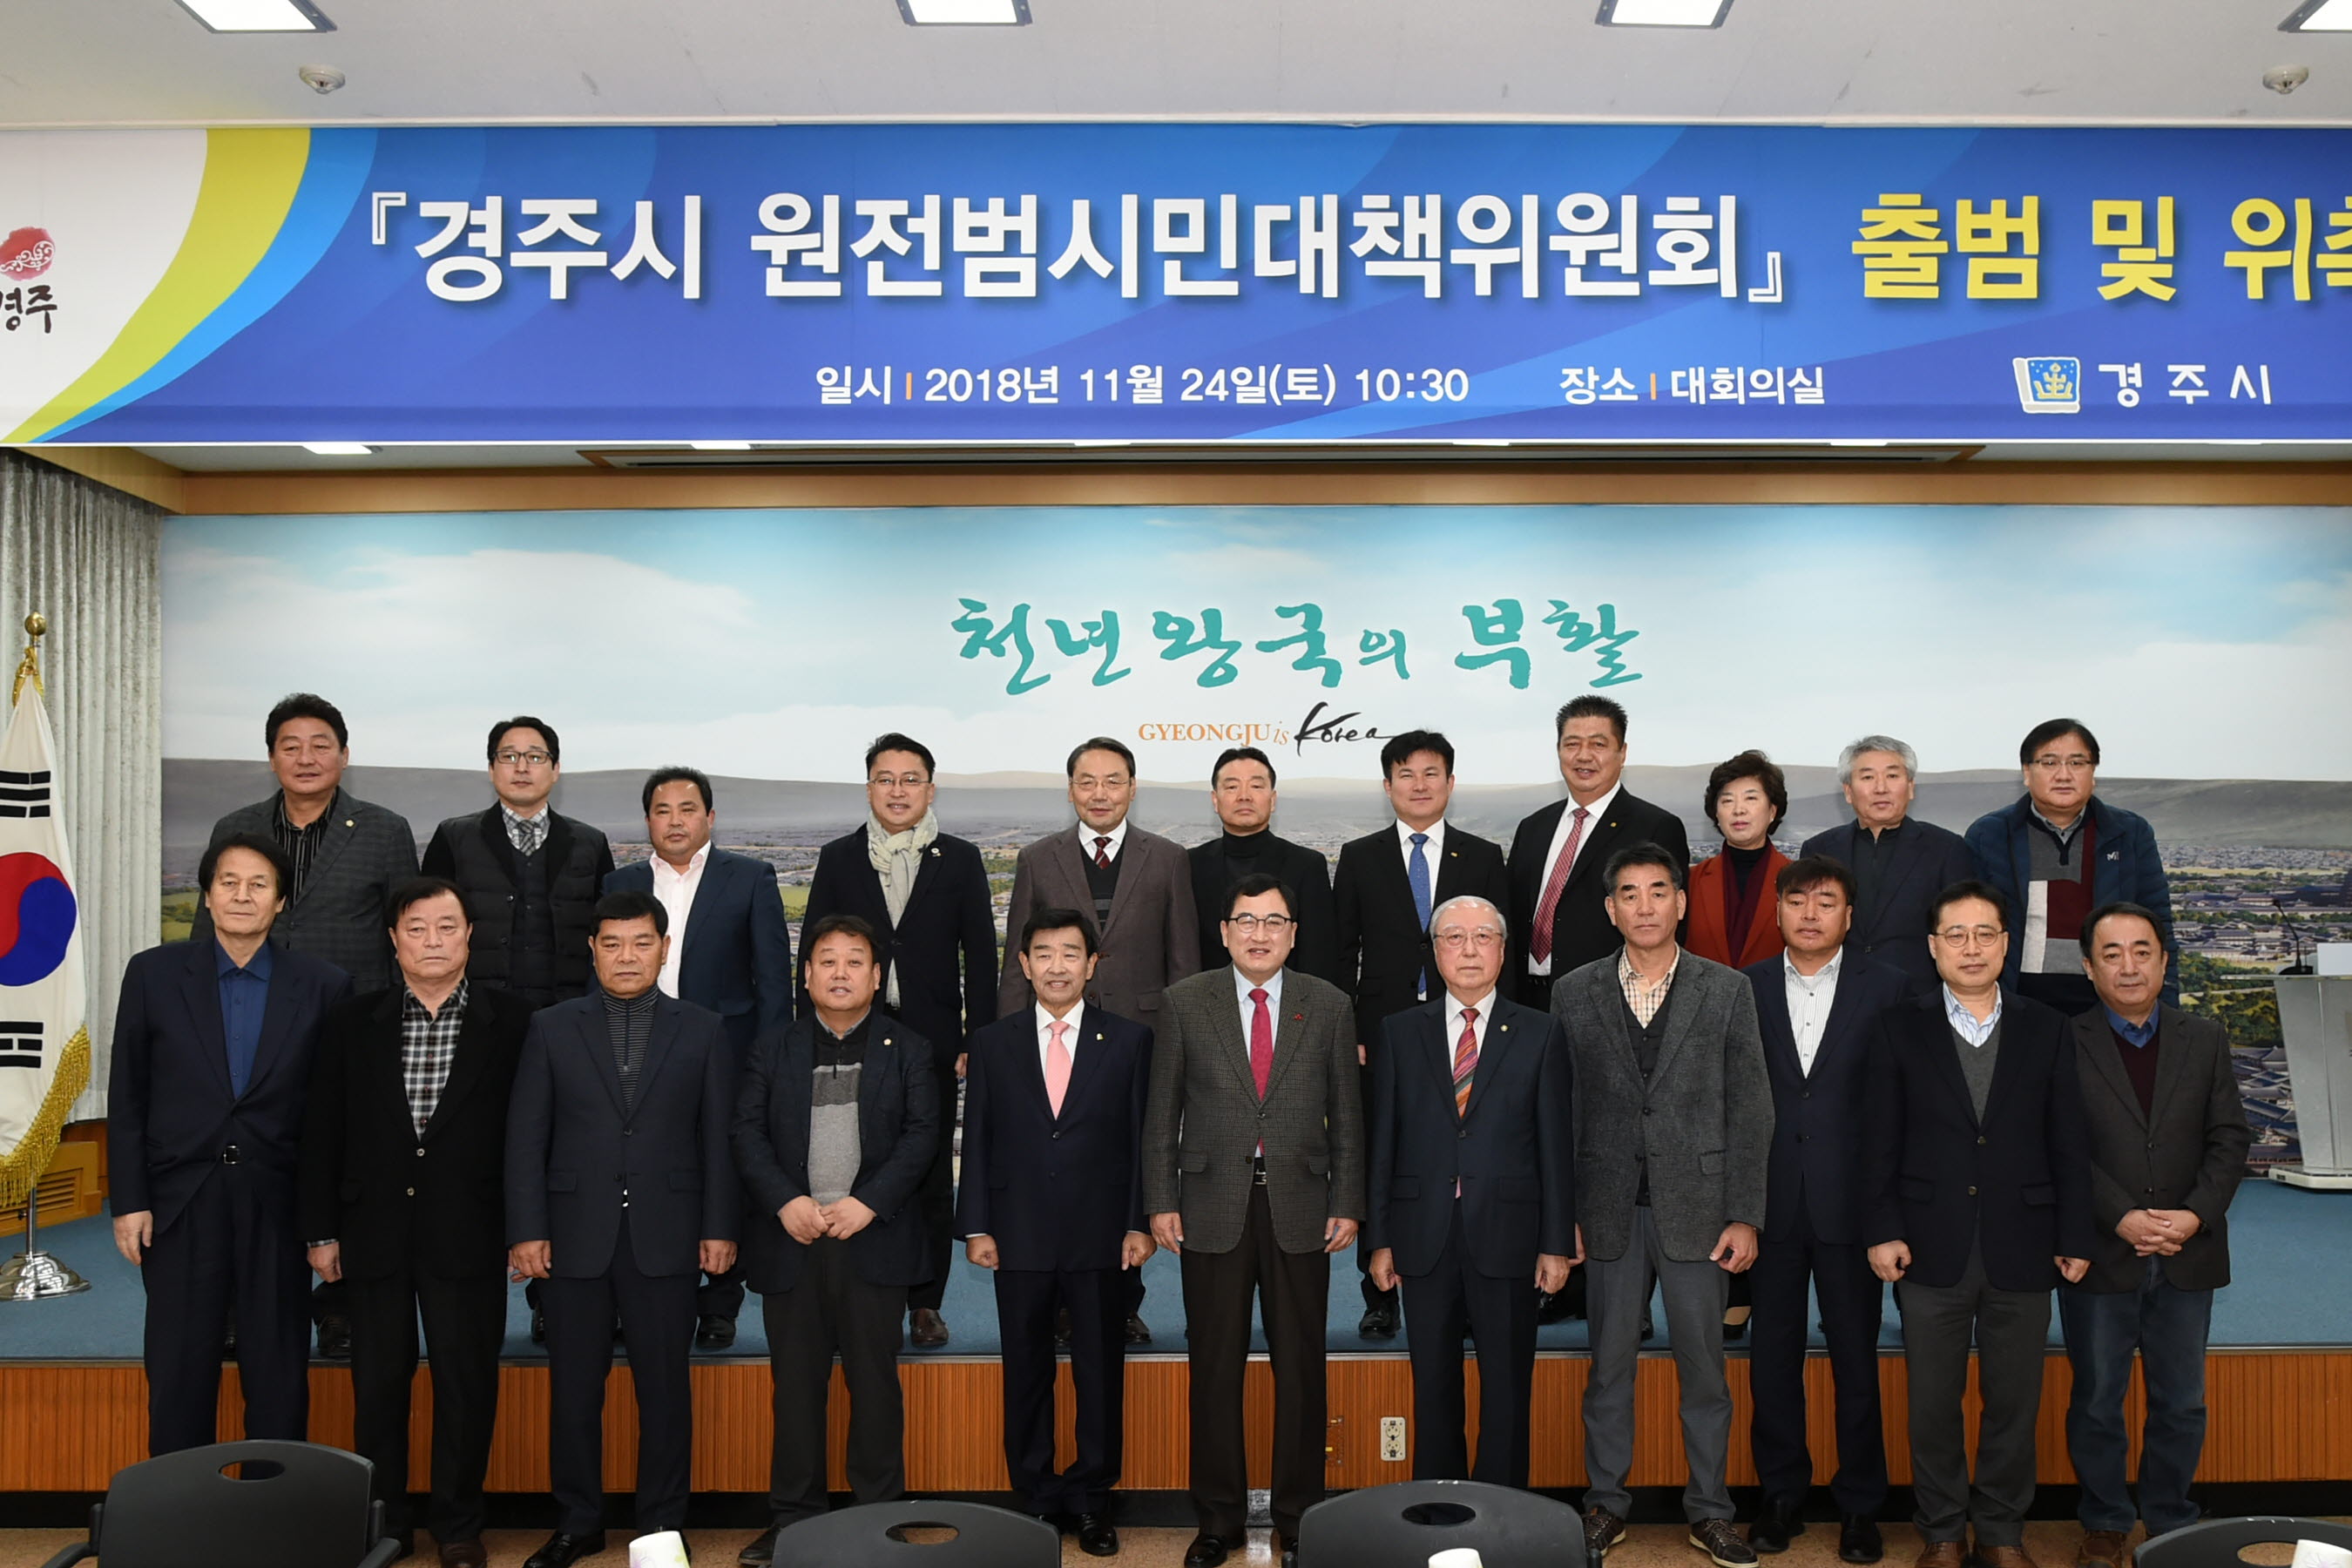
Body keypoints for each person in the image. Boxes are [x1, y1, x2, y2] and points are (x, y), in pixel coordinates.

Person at [299, 877, 534, 1568]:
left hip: (471, 1232)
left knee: (467, 1383)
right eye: (417, 928)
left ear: (469, 936)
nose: (432, 941)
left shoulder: (515, 1022)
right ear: (394, 940)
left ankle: (458, 1525)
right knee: (377, 1386)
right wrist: (321, 1231)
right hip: (371, 1233)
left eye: (446, 927)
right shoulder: (352, 1021)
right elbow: (321, 1131)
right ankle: (388, 1522)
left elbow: (532, 1137)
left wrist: (524, 1228)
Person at [1861, 882, 2095, 1568]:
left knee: (2013, 1403)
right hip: (1927, 1244)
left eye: (1985, 933)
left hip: (2024, 1243)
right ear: (1933, 947)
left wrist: (2075, 1235)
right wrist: (1881, 1229)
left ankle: (1999, 1533)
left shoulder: (2046, 1027)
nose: (1971, 948)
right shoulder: (1897, 1026)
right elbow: (1877, 1141)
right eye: (1956, 935)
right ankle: (1941, 1531)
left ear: (2006, 943)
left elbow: (2068, 1141)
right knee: (1932, 1403)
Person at [1550, 843, 1770, 1568]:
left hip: (1702, 1214)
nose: (1644, 906)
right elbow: (1563, 1110)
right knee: (1608, 1370)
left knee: (1705, 1372)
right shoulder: (1574, 991)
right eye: (1629, 894)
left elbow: (1752, 1107)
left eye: (1657, 892)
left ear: (1680, 902)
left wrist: (1745, 1214)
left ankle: (1711, 1512)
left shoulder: (1727, 989)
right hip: (1607, 1210)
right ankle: (1605, 1506)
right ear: (1610, 909)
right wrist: (1564, 1213)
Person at [504, 891, 739, 1568]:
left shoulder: (704, 1029)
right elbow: (526, 1137)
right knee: (574, 1395)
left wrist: (720, 1226)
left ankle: (661, 1527)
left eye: (641, 943)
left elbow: (718, 1140)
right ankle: (577, 1523)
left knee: (664, 1394)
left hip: (668, 1235)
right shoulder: (551, 1027)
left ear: (664, 948)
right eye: (612, 944)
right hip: (573, 1236)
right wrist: (527, 1229)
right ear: (593, 950)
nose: (626, 956)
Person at [1142, 874, 1363, 1568]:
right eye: (1246, 920)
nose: (1259, 934)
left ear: (1293, 933)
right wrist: (1161, 1199)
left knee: (1303, 1370)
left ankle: (1299, 1519)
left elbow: (1347, 1115)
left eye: (1274, 921)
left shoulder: (1328, 1004)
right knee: (1213, 1369)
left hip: (1302, 1207)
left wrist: (1348, 1201)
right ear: (1224, 931)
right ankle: (1218, 1520)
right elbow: (1161, 1112)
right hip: (1211, 1207)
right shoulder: (1185, 1002)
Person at [107, 834, 353, 1454]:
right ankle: (180, 1506)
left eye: (259, 885)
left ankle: (273, 1505)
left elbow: (332, 1118)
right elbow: (128, 1095)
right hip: (180, 1201)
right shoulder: (153, 974)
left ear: (280, 901)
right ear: (208, 896)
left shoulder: (323, 985)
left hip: (278, 1204)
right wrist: (129, 1200)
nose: (243, 896)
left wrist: (324, 1223)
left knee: (278, 1374)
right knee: (178, 1373)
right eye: (229, 883)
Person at [194, 691, 418, 1360]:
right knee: (248, 1165)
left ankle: (339, 1307)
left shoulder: (384, 830)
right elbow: (210, 933)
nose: (306, 757)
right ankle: (239, 1307)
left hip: (347, 1029)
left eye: (321, 745)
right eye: (290, 746)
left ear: (344, 756)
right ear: (272, 758)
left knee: (345, 1168)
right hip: (250, 1027)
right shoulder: (237, 828)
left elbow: (404, 932)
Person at [733, 914, 939, 1568]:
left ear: (877, 977)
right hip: (793, 1240)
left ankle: (880, 1518)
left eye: (855, 961)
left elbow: (922, 1136)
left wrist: (867, 1203)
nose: (841, 972)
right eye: (827, 960)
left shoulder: (909, 1049)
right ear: (807, 975)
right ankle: (793, 1520)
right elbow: (746, 1133)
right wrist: (786, 1201)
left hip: (872, 1241)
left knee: (875, 1388)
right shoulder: (773, 1048)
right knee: (796, 1389)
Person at [957, 909, 1155, 1557]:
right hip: (1017, 1234)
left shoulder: (1129, 1040)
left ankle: (1093, 1499)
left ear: (1092, 965)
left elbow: (1142, 1140)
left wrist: (1138, 1222)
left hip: (1102, 1236)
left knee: (1100, 1374)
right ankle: (1038, 1498)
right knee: (1026, 1372)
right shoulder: (994, 1042)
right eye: (1043, 953)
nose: (1057, 966)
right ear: (1024, 964)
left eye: (1071, 953)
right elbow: (978, 1138)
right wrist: (977, 1226)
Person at [2061, 902, 2251, 1568]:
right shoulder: (2064, 1041)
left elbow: (2229, 1138)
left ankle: (2171, 1519)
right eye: (2111, 953)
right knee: (2097, 1399)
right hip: (2102, 1249)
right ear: (2089, 968)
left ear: (2164, 962)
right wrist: (2119, 1214)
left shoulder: (2205, 1037)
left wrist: (2195, 1214)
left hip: (2187, 1250)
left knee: (2182, 1401)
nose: (2129, 966)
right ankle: (2105, 1522)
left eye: (2142, 951)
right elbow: (2061, 1147)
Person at [1364, 895, 1574, 1488]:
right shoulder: (1400, 1031)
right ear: (1435, 952)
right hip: (1422, 1234)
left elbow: (1556, 1145)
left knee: (1506, 1386)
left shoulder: (1541, 1032)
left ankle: (1501, 1512)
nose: (1469, 949)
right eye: (1454, 937)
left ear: (1504, 951)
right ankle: (1439, 1509)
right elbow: (1384, 1142)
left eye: (1484, 937)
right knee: (1433, 1384)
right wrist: (1379, 1239)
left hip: (1509, 1234)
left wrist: (1556, 1242)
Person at [1000, 735, 1201, 1343]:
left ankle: (1123, 1301)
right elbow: (1016, 963)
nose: (1100, 793)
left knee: (1134, 1167)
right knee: (1062, 1164)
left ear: (1132, 789)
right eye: (1087, 782)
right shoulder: (1039, 858)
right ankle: (1062, 1301)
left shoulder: (1168, 858)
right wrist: (1007, 1046)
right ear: (1070, 791)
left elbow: (1184, 964)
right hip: (1057, 1039)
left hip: (1143, 1040)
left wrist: (1188, 1048)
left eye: (1113, 781)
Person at [801, 733, 997, 1350]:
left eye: (911, 779)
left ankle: (925, 1302)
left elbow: (981, 956)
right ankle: (861, 1291)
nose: (898, 790)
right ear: (869, 788)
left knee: (930, 1169)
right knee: (857, 1163)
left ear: (930, 790)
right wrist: (804, 1037)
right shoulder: (839, 858)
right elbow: (811, 949)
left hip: (932, 1038)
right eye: (885, 779)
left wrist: (976, 1038)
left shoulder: (959, 859)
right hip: (852, 1034)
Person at [1741, 857, 1912, 1565]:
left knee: (1856, 1362)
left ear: (1849, 915)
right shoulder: (1743, 986)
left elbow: (1901, 1107)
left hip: (1854, 1207)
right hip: (1771, 1205)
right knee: (1771, 1361)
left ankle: (1860, 1506)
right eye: (1798, 900)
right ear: (1778, 911)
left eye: (1827, 902)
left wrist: (1888, 1214)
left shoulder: (1892, 988)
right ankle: (1779, 1496)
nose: (1810, 914)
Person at [606, 766, 794, 1350]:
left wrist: (770, 1066)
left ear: (710, 818)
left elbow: (773, 981)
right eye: (662, 811)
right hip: (635, 1052)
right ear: (647, 820)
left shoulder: (750, 878)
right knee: (643, 1173)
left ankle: (719, 1303)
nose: (675, 821)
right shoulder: (621, 882)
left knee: (721, 1170)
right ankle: (640, 1292)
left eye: (687, 809)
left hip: (726, 1053)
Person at [1332, 730, 1511, 1338]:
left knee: (1459, 1153)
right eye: (1405, 774)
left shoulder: (1483, 856)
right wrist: (1351, 1030)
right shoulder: (1359, 856)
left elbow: (1497, 948)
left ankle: (1465, 1283)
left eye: (1431, 773)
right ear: (1388, 786)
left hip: (1464, 1028)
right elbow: (1341, 952)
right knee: (1382, 1153)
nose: (1419, 785)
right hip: (1381, 1034)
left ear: (1451, 783)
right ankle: (1379, 1292)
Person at [1965, 720, 2176, 1017]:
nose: (2063, 775)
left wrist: (2167, 1013)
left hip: (2109, 1003)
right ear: (2027, 772)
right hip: (2015, 1004)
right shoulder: (1990, 835)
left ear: (2093, 772)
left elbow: (2159, 925)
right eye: (2049, 762)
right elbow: (1968, 927)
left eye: (2077, 763)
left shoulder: (2129, 833)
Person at [1507, 695, 1690, 1012]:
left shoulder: (1656, 827)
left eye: (1598, 744)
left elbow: (1669, 928)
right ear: (1559, 750)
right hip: (1527, 1004)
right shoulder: (1533, 827)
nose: (1584, 756)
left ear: (1622, 753)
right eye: (1572, 744)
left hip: (1610, 1004)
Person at [422, 715, 616, 1010]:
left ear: (556, 770)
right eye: (509, 756)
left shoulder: (591, 843)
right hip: (477, 1011)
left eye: (535, 757)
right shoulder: (453, 838)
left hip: (568, 1011)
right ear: (491, 769)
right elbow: (428, 925)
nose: (522, 768)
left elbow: (608, 930)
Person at [1799, 737, 1975, 991]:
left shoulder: (1946, 849)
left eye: (1892, 776)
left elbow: (1960, 930)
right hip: (1836, 992)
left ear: (1911, 787)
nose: (1881, 788)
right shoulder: (1820, 849)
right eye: (1868, 777)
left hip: (1918, 995)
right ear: (1848, 791)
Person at [1186, 747, 1342, 986]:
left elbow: (1318, 957)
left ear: (1273, 800)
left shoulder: (1306, 865)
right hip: (1206, 1002)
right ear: (1215, 800)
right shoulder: (1189, 864)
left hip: (1288, 1002)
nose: (1244, 796)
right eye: (1232, 787)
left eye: (1256, 786)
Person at [1685, 750, 1792, 970]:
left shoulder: (1796, 881)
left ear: (1772, 810)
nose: (1738, 810)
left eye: (1751, 798)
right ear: (1716, 814)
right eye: (1727, 801)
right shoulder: (1691, 881)